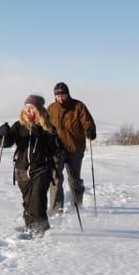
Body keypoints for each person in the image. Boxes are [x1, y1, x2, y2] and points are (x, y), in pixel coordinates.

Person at [0, 95, 60, 237]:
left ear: (38, 110)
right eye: (26, 108)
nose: (28, 110)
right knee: (28, 202)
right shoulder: (19, 126)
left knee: (37, 200)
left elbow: (55, 148)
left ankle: (41, 228)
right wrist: (2, 134)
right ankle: (30, 226)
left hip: (42, 168)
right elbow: (5, 144)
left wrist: (58, 149)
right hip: (22, 169)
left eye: (31, 108)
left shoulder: (47, 127)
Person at [47, 81, 96, 214]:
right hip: (57, 149)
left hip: (75, 148)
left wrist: (90, 130)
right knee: (56, 179)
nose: (60, 97)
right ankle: (56, 210)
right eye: (58, 95)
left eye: (63, 94)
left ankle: (77, 206)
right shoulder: (51, 108)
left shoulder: (78, 106)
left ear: (68, 94)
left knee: (74, 180)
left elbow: (88, 122)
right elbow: (45, 126)